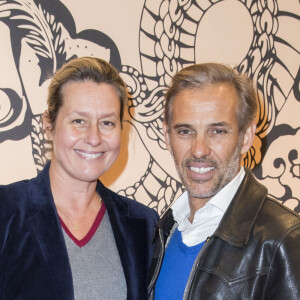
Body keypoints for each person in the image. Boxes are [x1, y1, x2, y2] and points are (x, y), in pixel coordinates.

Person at [0, 57, 158, 299]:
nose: (94, 138)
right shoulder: (6, 210)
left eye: (107, 122)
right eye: (78, 121)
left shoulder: (143, 224)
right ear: (49, 125)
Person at [148, 63, 300, 299]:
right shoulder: (161, 232)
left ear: (246, 136)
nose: (199, 150)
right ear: (167, 137)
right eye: (185, 131)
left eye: (217, 131)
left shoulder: (282, 239)